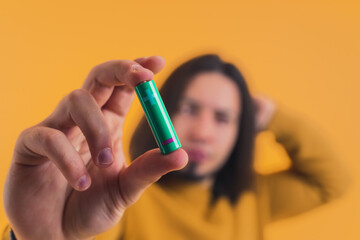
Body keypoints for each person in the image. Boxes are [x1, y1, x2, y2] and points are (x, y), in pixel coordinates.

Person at [2, 55, 349, 240]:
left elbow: (334, 182)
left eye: (223, 118)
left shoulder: (252, 199)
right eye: (188, 109)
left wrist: (272, 115)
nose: (202, 132)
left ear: (243, 129)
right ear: (162, 110)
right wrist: (39, 239)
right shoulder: (122, 196)